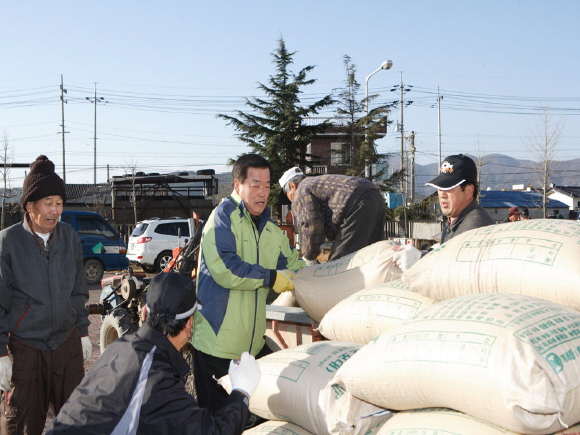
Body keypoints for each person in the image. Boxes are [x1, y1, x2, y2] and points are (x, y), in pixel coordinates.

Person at [48, 273, 261, 434]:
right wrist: (241, 391)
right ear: (190, 324)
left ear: (144, 312)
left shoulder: (120, 348)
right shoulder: (158, 378)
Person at [192, 154, 305, 415]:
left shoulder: (270, 229)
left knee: (250, 421)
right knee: (217, 424)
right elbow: (227, 269)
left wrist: (330, 273)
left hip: (250, 349)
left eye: (267, 186)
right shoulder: (222, 218)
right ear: (237, 185)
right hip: (216, 348)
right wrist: (271, 277)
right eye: (255, 185)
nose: (262, 192)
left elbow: (295, 265)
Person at [0, 155, 92, 435]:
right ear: (30, 206)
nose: (55, 211)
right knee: (23, 424)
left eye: (60, 204)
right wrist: (0, 351)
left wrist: (83, 332)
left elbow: (78, 291)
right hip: (26, 350)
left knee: (76, 420)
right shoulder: (8, 243)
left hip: (66, 345)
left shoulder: (69, 237)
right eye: (48, 203)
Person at [393, 154, 495, 271]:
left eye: (449, 188)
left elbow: (461, 271)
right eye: (440, 188)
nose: (442, 194)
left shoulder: (475, 227)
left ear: (469, 191)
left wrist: (420, 260)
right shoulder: (455, 220)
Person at [278, 167, 386, 264]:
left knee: (340, 264)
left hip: (356, 204)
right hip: (374, 194)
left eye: (287, 195)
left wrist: (309, 257)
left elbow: (312, 226)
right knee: (372, 257)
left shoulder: (301, 190)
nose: (290, 200)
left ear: (293, 186)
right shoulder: (315, 184)